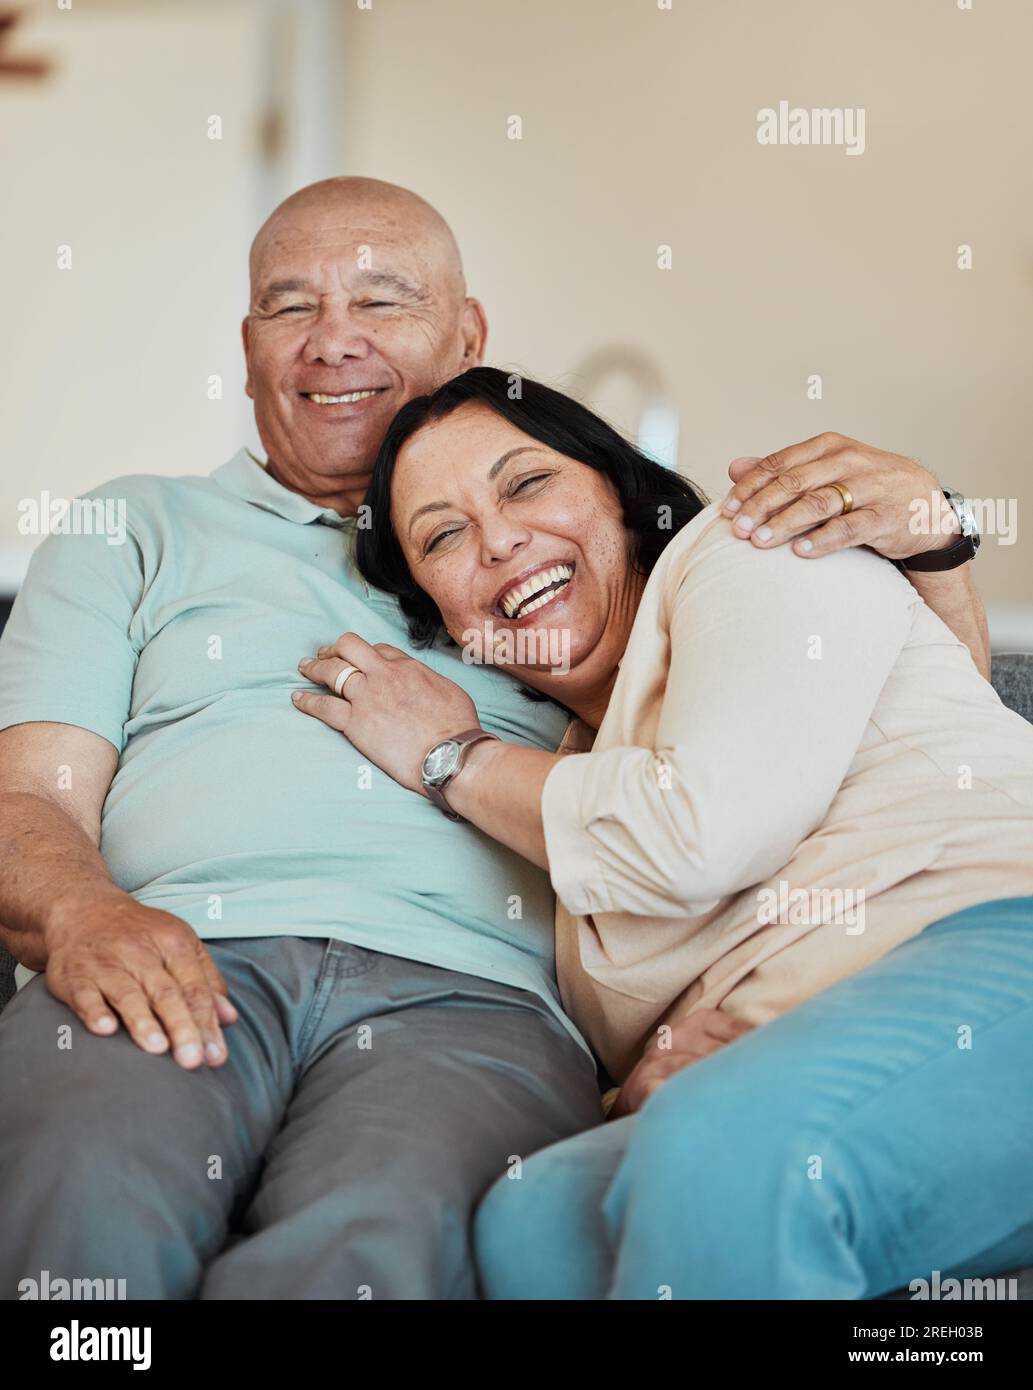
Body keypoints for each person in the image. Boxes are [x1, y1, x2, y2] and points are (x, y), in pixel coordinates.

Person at [0, 177, 995, 1301]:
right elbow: (30, 796)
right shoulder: (137, 527)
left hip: (477, 1003)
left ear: (468, 338)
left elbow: (898, 758)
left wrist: (939, 538)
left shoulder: (616, 578)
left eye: (382, 300)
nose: (334, 342)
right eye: (291, 308)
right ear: (246, 348)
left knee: (378, 1246)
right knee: (82, 1229)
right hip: (176, 945)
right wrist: (85, 914)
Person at [294, 366, 1033, 1299]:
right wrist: (643, 1090)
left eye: (526, 483)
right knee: (537, 1222)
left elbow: (698, 837)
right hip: (816, 1074)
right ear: (447, 624)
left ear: (621, 492)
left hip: (995, 951)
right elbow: (653, 1037)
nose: (500, 539)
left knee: (713, 1145)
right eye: (442, 535)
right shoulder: (573, 776)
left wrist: (451, 758)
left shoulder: (752, 549)